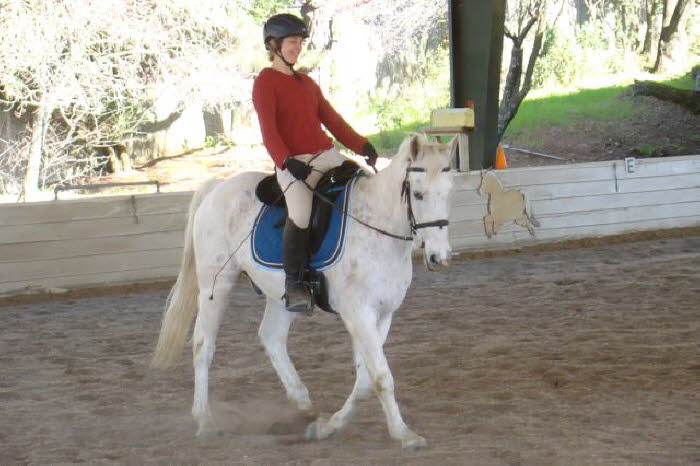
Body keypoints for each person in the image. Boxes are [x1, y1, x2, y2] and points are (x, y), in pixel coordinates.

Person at [252, 13, 378, 314]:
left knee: (363, 189)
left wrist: (362, 145)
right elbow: (269, 132)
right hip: (295, 164)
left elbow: (332, 120)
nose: (297, 47)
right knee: (301, 213)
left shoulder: (307, 83)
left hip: (327, 156)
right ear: (274, 44)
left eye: (300, 42)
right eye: (292, 42)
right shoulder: (265, 82)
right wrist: (286, 162)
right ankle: (294, 284)